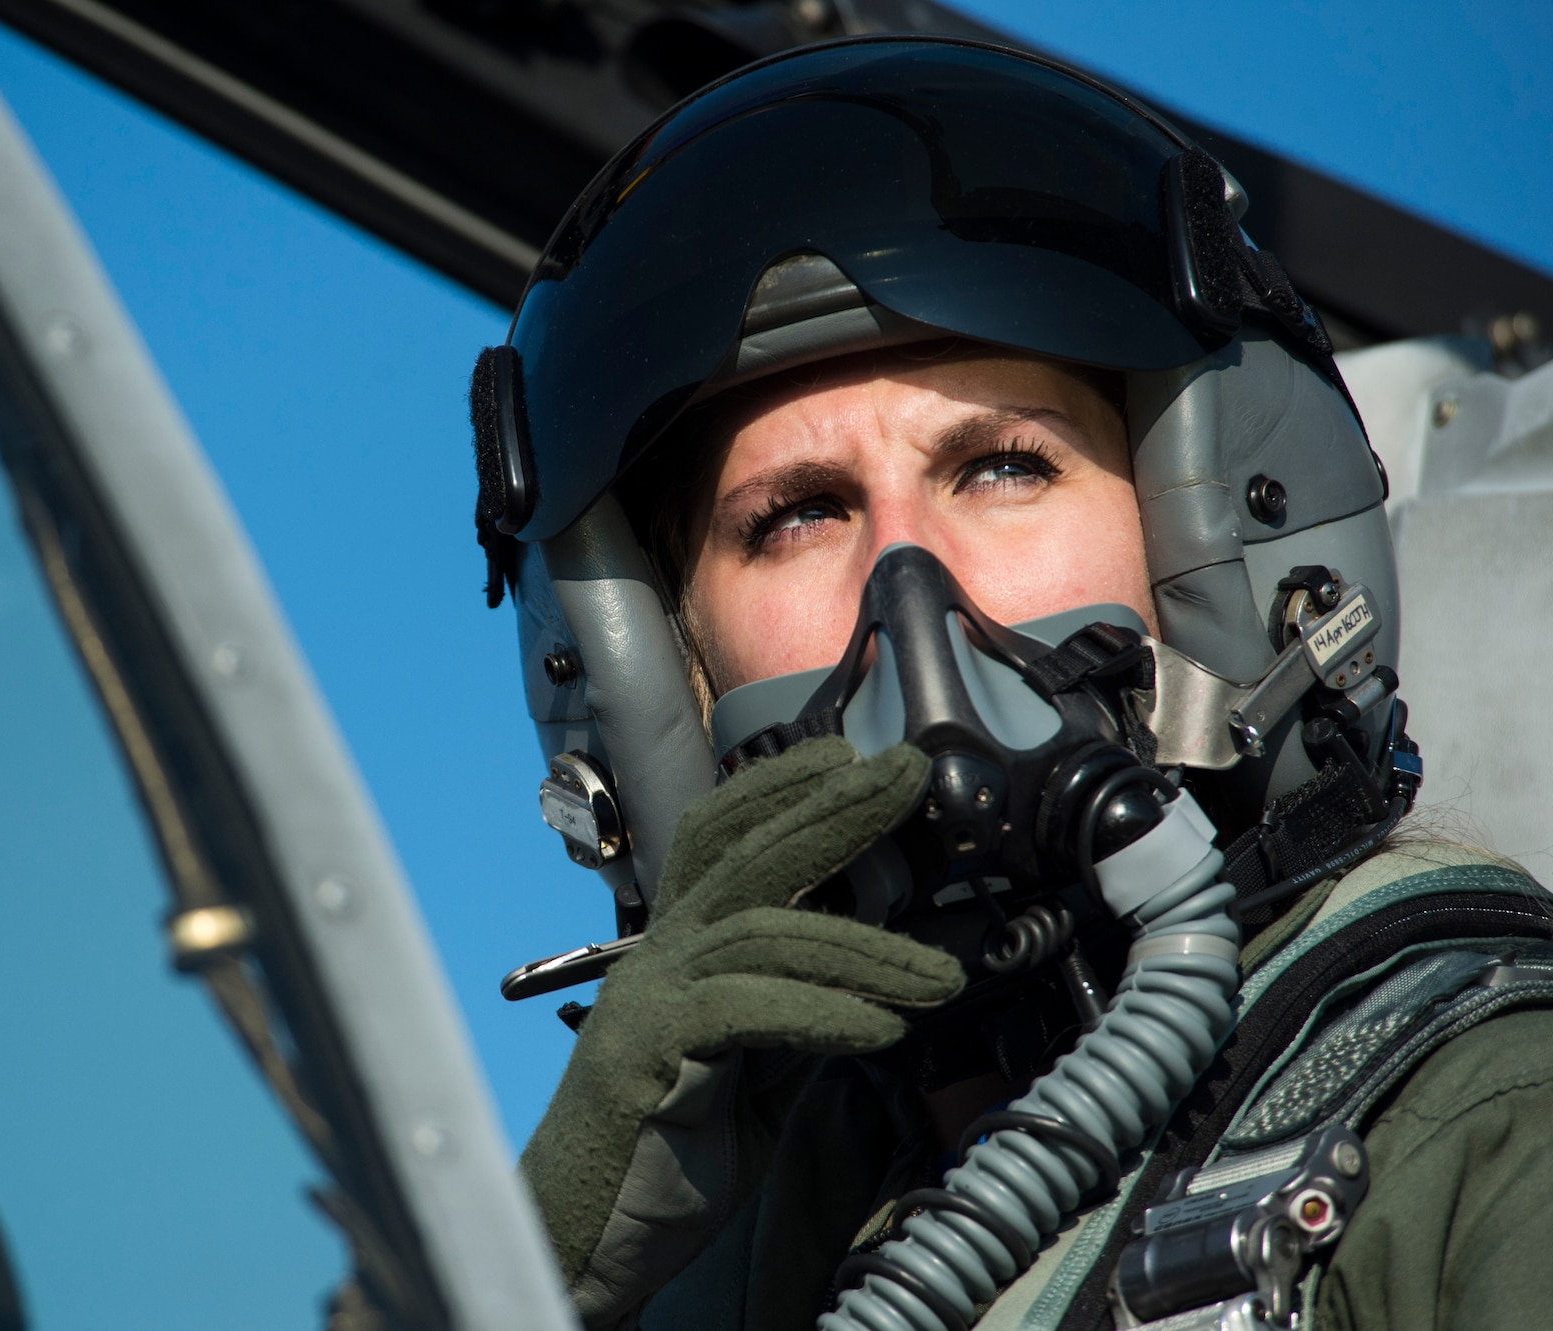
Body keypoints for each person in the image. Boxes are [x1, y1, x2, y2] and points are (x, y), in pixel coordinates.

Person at [471, 35, 1553, 1331]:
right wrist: (530, 1282)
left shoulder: (1486, 1136)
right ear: (669, 678)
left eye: (1001, 468)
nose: (909, 587)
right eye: (799, 515)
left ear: (1218, 536)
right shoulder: (727, 1260)